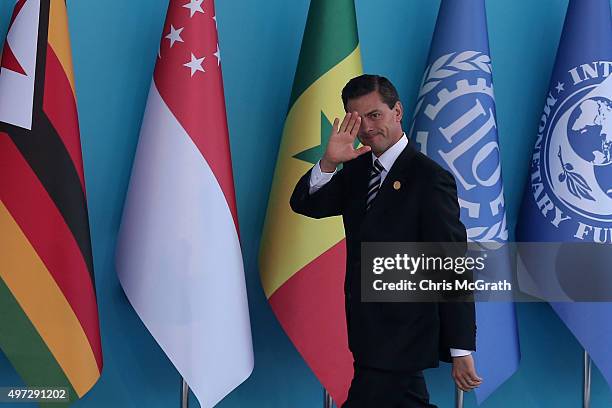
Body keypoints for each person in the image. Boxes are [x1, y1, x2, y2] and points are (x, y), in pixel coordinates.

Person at [290, 74, 482, 407]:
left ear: (397, 112)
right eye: (356, 118)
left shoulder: (430, 179)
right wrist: (330, 162)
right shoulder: (356, 169)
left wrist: (460, 348)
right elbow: (307, 205)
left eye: (375, 115)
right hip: (366, 329)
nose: (366, 127)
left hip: (404, 334)